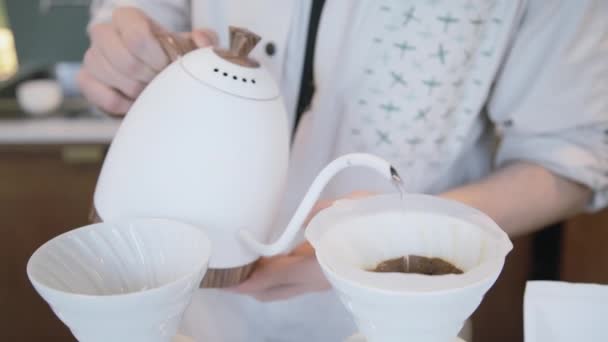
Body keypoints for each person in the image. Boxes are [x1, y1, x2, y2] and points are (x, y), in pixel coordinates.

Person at [78, 1, 607, 341]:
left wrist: (384, 233)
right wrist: (124, 49)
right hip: (181, 300)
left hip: (401, 314)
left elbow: (572, 157)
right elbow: (146, 16)